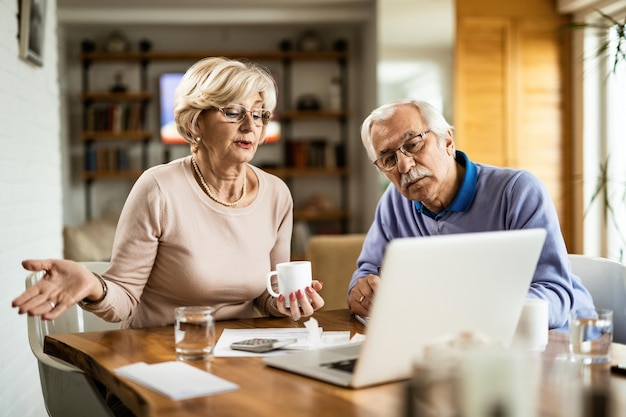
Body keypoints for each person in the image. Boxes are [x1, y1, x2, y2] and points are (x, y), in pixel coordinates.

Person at [12, 57, 325, 328]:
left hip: (239, 354)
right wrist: (93, 284)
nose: (250, 126)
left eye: (259, 114)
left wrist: (285, 304)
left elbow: (264, 294)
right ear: (195, 123)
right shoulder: (158, 188)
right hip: (161, 354)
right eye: (233, 111)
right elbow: (123, 299)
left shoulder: (277, 194)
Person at [347, 98, 593, 332]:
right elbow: (366, 273)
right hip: (460, 343)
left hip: (562, 341)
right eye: (389, 159)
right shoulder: (394, 202)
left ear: (448, 142)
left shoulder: (518, 191)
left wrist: (473, 313)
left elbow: (555, 295)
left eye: (413, 145)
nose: (403, 166)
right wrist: (363, 294)